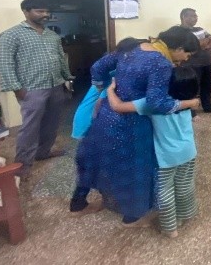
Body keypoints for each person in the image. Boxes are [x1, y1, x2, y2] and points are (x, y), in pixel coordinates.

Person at [70, 27, 199, 226]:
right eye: (187, 54)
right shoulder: (161, 62)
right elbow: (157, 103)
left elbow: (97, 67)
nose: (185, 59)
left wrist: (105, 89)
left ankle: (78, 203)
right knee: (134, 167)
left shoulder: (133, 46)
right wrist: (188, 103)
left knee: (96, 157)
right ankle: (132, 215)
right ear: (179, 48)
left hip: (107, 114)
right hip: (132, 121)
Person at [108, 65, 200, 238]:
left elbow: (117, 106)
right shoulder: (190, 101)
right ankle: (182, 216)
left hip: (166, 157)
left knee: (165, 191)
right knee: (184, 186)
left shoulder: (153, 104)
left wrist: (110, 90)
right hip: (188, 151)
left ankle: (170, 228)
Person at [0, 0, 73, 180]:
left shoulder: (52, 35)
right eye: (39, 11)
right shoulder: (11, 35)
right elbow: (4, 63)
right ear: (26, 11)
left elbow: (60, 59)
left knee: (52, 122)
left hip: (56, 85)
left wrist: (67, 78)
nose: (45, 14)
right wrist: (16, 88)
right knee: (30, 127)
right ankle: (22, 165)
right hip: (31, 88)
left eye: (47, 11)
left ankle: (43, 152)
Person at [179, 8, 211, 118]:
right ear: (184, 17)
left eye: (196, 16)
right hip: (191, 65)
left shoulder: (200, 29)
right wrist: (201, 43)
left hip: (206, 63)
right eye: (192, 16)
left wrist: (205, 45)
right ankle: (191, 112)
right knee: (192, 89)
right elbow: (189, 47)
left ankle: (208, 107)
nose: (195, 18)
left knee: (207, 86)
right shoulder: (180, 32)